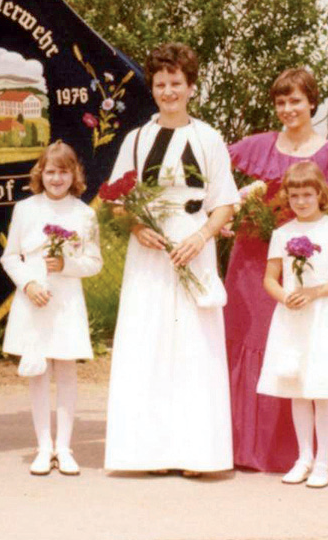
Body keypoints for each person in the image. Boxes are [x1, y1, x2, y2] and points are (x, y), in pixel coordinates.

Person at [224, 67, 328, 472]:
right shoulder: (258, 145)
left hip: (307, 268)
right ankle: (244, 448)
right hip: (253, 262)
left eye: (296, 101)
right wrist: (227, 211)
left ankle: (301, 454)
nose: (288, 109)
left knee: (304, 346)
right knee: (251, 340)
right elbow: (212, 173)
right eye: (281, 102)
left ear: (311, 103)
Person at [103, 42, 239, 475]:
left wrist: (201, 237)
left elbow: (225, 203)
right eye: (160, 84)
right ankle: (149, 453)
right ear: (153, 88)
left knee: (196, 346)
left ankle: (198, 454)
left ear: (191, 86)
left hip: (193, 249)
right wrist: (136, 227)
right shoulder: (136, 140)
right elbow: (116, 201)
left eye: (176, 83)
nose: (168, 91)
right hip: (150, 254)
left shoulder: (208, 138)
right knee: (148, 342)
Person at [257, 161, 328, 488]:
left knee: (322, 389)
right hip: (293, 318)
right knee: (298, 389)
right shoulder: (282, 234)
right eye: (294, 196)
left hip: (322, 317)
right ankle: (303, 458)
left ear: (320, 194)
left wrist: (315, 292)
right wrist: (284, 296)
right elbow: (270, 279)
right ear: (286, 197)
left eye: (307, 194)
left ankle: (323, 461)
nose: (301, 201)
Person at [0, 141, 102, 476]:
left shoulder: (84, 214)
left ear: (74, 175)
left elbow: (94, 262)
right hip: (34, 300)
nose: (56, 179)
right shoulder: (25, 209)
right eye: (50, 172)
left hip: (66, 301)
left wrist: (67, 264)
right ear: (40, 174)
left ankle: (65, 448)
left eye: (64, 172)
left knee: (67, 370)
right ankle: (44, 447)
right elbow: (10, 257)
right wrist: (28, 284)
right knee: (38, 371)